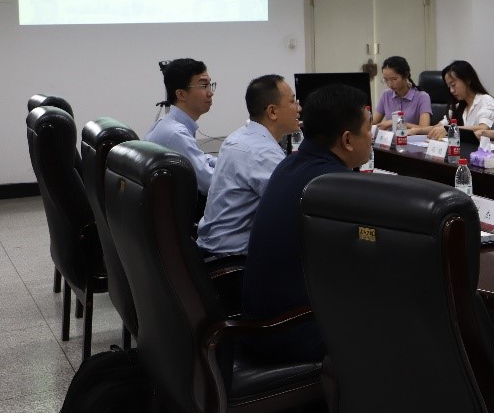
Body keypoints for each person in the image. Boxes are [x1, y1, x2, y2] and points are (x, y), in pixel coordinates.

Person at [242, 83, 374, 362]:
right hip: (291, 331)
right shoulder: (335, 185)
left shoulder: (290, 164)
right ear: (347, 140)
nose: (371, 137)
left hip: (261, 324)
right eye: (368, 129)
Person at [196, 75, 301, 257]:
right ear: (272, 111)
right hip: (233, 259)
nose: (299, 108)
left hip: (211, 249)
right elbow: (295, 206)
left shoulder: (239, 137)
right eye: (292, 101)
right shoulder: (262, 153)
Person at [144, 58, 217, 195]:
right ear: (181, 94)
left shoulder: (168, 122)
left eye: (210, 85)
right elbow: (210, 183)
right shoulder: (176, 134)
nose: (210, 92)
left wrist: (227, 163)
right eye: (203, 86)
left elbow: (201, 159)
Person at [427, 60, 494, 140]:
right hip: (467, 147)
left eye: (453, 85)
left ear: (467, 80)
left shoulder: (486, 101)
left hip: (489, 148)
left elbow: (483, 129)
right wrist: (418, 130)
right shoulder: (458, 107)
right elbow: (438, 127)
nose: (451, 90)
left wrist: (450, 129)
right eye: (449, 87)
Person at [372, 55, 432, 134]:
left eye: (394, 79)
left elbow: (424, 128)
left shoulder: (422, 97)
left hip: (412, 139)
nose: (389, 84)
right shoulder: (386, 95)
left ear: (406, 75)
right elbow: (373, 123)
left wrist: (395, 122)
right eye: (386, 80)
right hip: (391, 140)